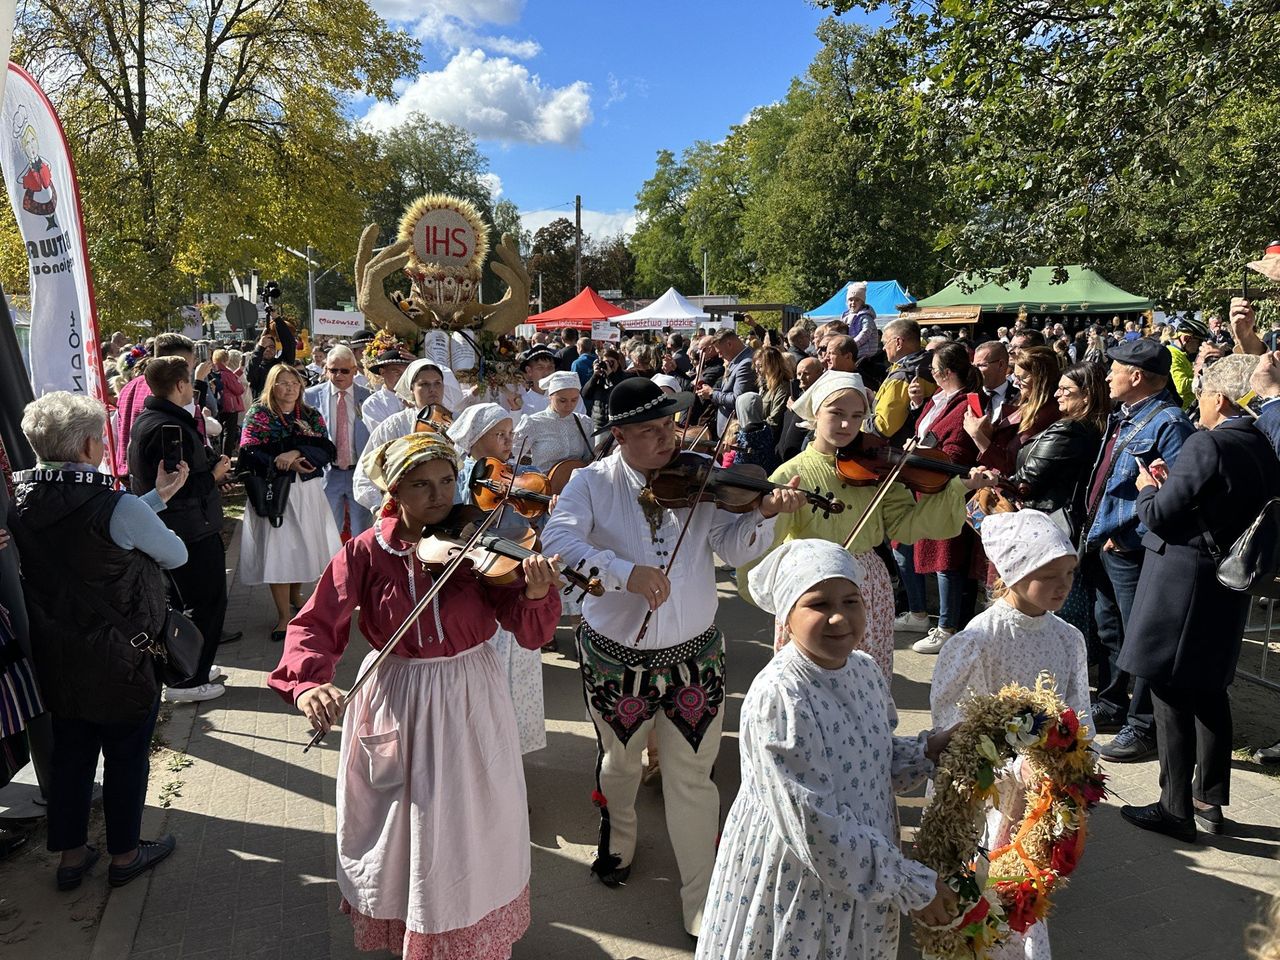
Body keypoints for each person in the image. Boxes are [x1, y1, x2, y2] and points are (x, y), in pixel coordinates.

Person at [268, 433, 562, 959]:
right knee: (400, 821)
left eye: (448, 481)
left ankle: (467, 928)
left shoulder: (478, 543)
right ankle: (413, 925)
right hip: (398, 692)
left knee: (470, 818)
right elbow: (314, 622)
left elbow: (527, 629)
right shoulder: (365, 552)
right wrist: (310, 681)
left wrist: (536, 594)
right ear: (394, 491)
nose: (440, 496)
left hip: (469, 693)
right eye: (422, 485)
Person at [540, 377, 807, 937]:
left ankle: (703, 896)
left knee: (692, 778)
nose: (669, 439)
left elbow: (734, 549)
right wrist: (623, 573)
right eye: (651, 431)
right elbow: (558, 544)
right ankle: (619, 837)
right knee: (621, 763)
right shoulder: (590, 483)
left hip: (695, 658)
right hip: (617, 659)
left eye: (670, 426)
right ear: (619, 436)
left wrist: (766, 516)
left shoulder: (701, 475)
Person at [699, 539, 956, 960]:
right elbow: (814, 826)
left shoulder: (865, 670)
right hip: (802, 876)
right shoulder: (780, 696)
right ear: (787, 614)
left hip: (861, 862)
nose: (839, 617)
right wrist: (906, 883)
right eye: (818, 604)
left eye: (851, 600)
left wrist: (928, 751)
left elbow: (872, 761)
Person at [9, 392, 189, 889]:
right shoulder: (117, 505)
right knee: (127, 753)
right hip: (121, 656)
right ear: (91, 445)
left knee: (71, 753)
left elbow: (83, 530)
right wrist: (148, 507)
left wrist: (155, 500)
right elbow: (174, 555)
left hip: (57, 653)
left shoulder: (19, 502)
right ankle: (125, 855)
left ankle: (71, 858)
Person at [1117, 355, 1280, 841]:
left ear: (1221, 398)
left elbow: (1161, 516)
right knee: (1209, 690)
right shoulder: (1262, 445)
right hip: (1226, 580)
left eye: (1203, 394)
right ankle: (1209, 799)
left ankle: (1175, 808)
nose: (1198, 404)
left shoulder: (1208, 442)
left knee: (1170, 689)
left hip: (1183, 581)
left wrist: (1147, 488)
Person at [742, 370, 985, 679]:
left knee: (868, 674)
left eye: (857, 416)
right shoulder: (792, 473)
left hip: (867, 584)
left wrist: (957, 487)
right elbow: (763, 546)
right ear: (816, 412)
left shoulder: (877, 470)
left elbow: (906, 525)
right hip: (813, 585)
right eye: (837, 413)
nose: (847, 424)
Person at [930, 510, 1091, 960]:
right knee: (982, 889)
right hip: (990, 793)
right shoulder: (980, 639)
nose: (1063, 585)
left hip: (1041, 793)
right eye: (1048, 575)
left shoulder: (1068, 639)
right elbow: (953, 723)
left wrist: (1071, 769)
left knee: (1025, 891)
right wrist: (1009, 768)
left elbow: (1079, 714)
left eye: (1070, 573)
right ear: (1011, 573)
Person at [1080, 338, 1194, 763]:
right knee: (1110, 629)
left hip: (1133, 548)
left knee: (1140, 638)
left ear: (1137, 375)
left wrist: (1128, 534)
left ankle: (1142, 725)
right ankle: (1112, 702)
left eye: (1114, 368)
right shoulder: (1125, 415)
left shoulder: (1169, 422)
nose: (1107, 375)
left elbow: (1176, 494)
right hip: (1108, 544)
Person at [445, 403, 550, 754]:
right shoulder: (456, 478)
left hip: (513, 583)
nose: (509, 441)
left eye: (510, 434)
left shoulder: (520, 476)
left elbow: (536, 522)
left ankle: (510, 756)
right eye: (500, 435)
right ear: (475, 439)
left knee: (513, 674)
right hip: (474, 587)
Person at [127, 356, 232, 703]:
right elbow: (179, 485)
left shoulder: (157, 419)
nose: (192, 387)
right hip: (188, 529)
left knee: (189, 602)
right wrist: (214, 476)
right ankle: (189, 678)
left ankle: (193, 664)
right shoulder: (167, 426)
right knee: (205, 603)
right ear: (180, 385)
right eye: (189, 381)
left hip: (180, 527)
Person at [239, 364, 341, 641]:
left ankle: (297, 595)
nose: (290, 388)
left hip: (306, 492)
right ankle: (284, 616)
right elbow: (249, 451)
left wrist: (297, 452)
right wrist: (280, 461)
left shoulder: (310, 414)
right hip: (275, 491)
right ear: (272, 386)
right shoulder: (259, 415)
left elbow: (327, 449)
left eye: (294, 383)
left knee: (303, 545)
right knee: (279, 549)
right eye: (283, 383)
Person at [907, 343, 990, 655]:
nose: (931, 374)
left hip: (950, 486)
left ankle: (947, 626)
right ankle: (944, 622)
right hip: (928, 483)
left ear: (946, 373)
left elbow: (960, 450)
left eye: (934, 369)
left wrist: (921, 452)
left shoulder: (969, 402)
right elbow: (926, 433)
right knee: (938, 556)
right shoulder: (936, 399)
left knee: (948, 559)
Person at [353, 359, 456, 513]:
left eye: (437, 383)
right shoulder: (394, 425)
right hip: (406, 510)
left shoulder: (458, 422)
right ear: (411, 389)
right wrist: (380, 507)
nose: (432, 389)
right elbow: (365, 472)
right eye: (424, 384)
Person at [303, 345, 374, 538]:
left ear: (354, 370)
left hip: (359, 473)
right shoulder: (310, 396)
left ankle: (359, 567)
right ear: (326, 370)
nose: (338, 375)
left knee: (362, 532)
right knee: (328, 533)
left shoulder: (368, 397)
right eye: (333, 370)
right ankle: (333, 567)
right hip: (328, 473)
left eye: (344, 370)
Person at [112, 333, 202, 479]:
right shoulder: (170, 393)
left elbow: (116, 430)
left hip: (131, 474)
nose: (189, 372)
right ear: (176, 363)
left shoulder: (128, 387)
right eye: (190, 365)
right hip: (165, 480)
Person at [513, 371, 595, 474]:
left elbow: (589, 459)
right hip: (543, 487)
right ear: (550, 396)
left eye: (574, 400)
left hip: (577, 486)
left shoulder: (584, 423)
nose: (569, 405)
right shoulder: (533, 422)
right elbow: (511, 455)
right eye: (562, 400)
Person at [873, 318, 935, 443]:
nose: (883, 348)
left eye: (885, 342)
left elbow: (883, 427)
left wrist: (860, 420)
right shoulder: (928, 363)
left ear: (898, 343)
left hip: (894, 448)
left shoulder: (904, 376)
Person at [695, 329, 756, 436]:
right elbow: (728, 391)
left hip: (734, 432)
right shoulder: (738, 360)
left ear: (729, 344)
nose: (719, 356)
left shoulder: (745, 364)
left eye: (720, 352)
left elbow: (738, 399)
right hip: (727, 430)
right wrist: (712, 390)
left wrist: (712, 394)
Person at [361, 349, 413, 429]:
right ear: (382, 372)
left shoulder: (418, 397)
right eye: (397, 372)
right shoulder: (373, 404)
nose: (402, 378)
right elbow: (384, 435)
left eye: (406, 373)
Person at [246, 320, 297, 397]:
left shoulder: (281, 364)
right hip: (262, 406)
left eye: (272, 347)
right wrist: (260, 346)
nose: (268, 349)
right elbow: (250, 374)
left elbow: (289, 344)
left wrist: (277, 319)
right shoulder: (255, 366)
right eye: (265, 347)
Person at [582, 347, 627, 432]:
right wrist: (595, 376)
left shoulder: (624, 377)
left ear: (618, 362)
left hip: (618, 424)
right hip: (599, 425)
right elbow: (585, 394)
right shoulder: (599, 378)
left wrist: (611, 374)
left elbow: (622, 392)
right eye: (606, 362)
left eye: (611, 362)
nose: (609, 365)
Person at [211, 348, 246, 457]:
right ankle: (226, 457)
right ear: (226, 359)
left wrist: (240, 370)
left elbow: (230, 379)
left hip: (220, 405)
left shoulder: (216, 371)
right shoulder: (227, 373)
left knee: (222, 432)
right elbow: (238, 389)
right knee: (229, 433)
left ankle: (221, 456)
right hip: (230, 405)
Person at [751, 345, 790, 438]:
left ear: (772, 366)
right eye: (755, 366)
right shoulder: (763, 386)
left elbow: (774, 421)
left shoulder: (783, 387)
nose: (756, 371)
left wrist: (752, 430)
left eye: (760, 366)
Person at [840, 281, 880, 360]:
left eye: (857, 300)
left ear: (862, 302)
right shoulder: (845, 317)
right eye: (850, 300)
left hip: (865, 352)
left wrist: (852, 344)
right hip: (851, 350)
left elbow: (866, 332)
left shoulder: (866, 316)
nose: (853, 303)